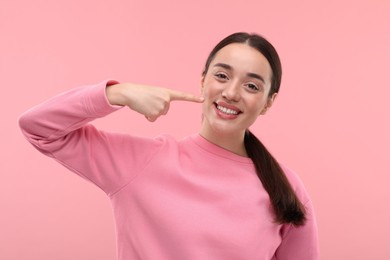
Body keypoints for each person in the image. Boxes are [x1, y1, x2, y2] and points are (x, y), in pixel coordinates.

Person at [19, 32, 319, 259]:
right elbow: (39, 128)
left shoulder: (286, 187)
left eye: (251, 85)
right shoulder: (142, 162)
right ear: (203, 81)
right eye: (222, 76)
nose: (231, 92)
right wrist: (118, 93)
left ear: (268, 102)